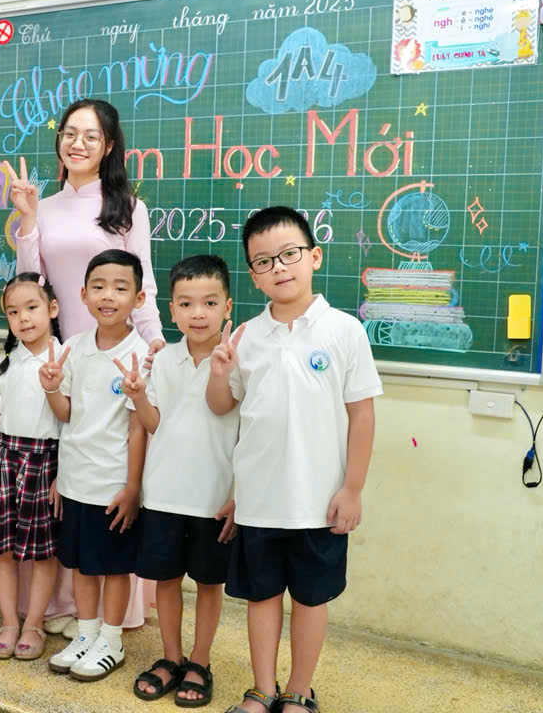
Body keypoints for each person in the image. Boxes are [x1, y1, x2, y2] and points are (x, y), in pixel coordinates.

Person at [206, 207, 381, 713]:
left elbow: (363, 417)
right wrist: (219, 372)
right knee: (261, 599)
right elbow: (223, 406)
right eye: (264, 261)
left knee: (310, 599)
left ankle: (300, 690)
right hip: (259, 501)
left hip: (318, 501)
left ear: (314, 256)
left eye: (289, 255)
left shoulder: (344, 330)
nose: (279, 267)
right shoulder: (245, 337)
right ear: (253, 275)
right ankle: (262, 688)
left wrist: (352, 489)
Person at [4, 98, 164, 634]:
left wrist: (155, 344)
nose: (77, 143)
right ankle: (60, 604)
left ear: (109, 146)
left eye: (90, 136)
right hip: (62, 359)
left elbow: (143, 287)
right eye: (70, 133)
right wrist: (27, 220)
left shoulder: (126, 207)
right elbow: (32, 286)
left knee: (105, 475)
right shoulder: (44, 206)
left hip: (116, 358)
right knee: (62, 477)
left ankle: (107, 614)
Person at [120, 255, 239, 706]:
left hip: (213, 498)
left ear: (228, 306)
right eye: (187, 304)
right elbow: (152, 424)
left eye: (210, 302)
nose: (198, 313)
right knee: (165, 581)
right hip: (164, 495)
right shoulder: (163, 360)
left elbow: (247, 433)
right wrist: (137, 396)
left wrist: (239, 495)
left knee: (210, 584)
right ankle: (171, 657)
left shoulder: (236, 362)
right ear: (171, 311)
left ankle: (200, 661)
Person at [41, 250, 151, 682]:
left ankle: (112, 639)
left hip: (113, 484)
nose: (109, 296)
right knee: (82, 565)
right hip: (75, 479)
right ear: (83, 295)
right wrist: (51, 390)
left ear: (138, 298)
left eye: (121, 288)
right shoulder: (74, 349)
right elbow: (67, 413)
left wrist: (133, 487)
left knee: (115, 567)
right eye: (99, 287)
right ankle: (86, 634)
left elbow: (137, 429)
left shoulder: (139, 355)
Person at [0, 272, 63, 662]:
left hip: (46, 460)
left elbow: (70, 421)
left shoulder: (65, 359)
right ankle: (9, 621)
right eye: (13, 312)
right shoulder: (5, 364)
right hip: (4, 457)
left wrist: (64, 474)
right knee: (2, 549)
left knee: (41, 552)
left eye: (32, 308)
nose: (23, 318)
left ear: (52, 309)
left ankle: (34, 623)